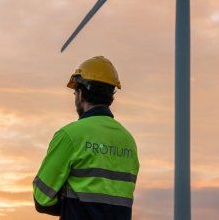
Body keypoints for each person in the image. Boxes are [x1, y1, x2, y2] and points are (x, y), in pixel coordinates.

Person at [33, 55, 140, 219]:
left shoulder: (70, 135)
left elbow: (42, 199)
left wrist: (65, 196)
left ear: (80, 94)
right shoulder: (128, 140)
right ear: (111, 94)